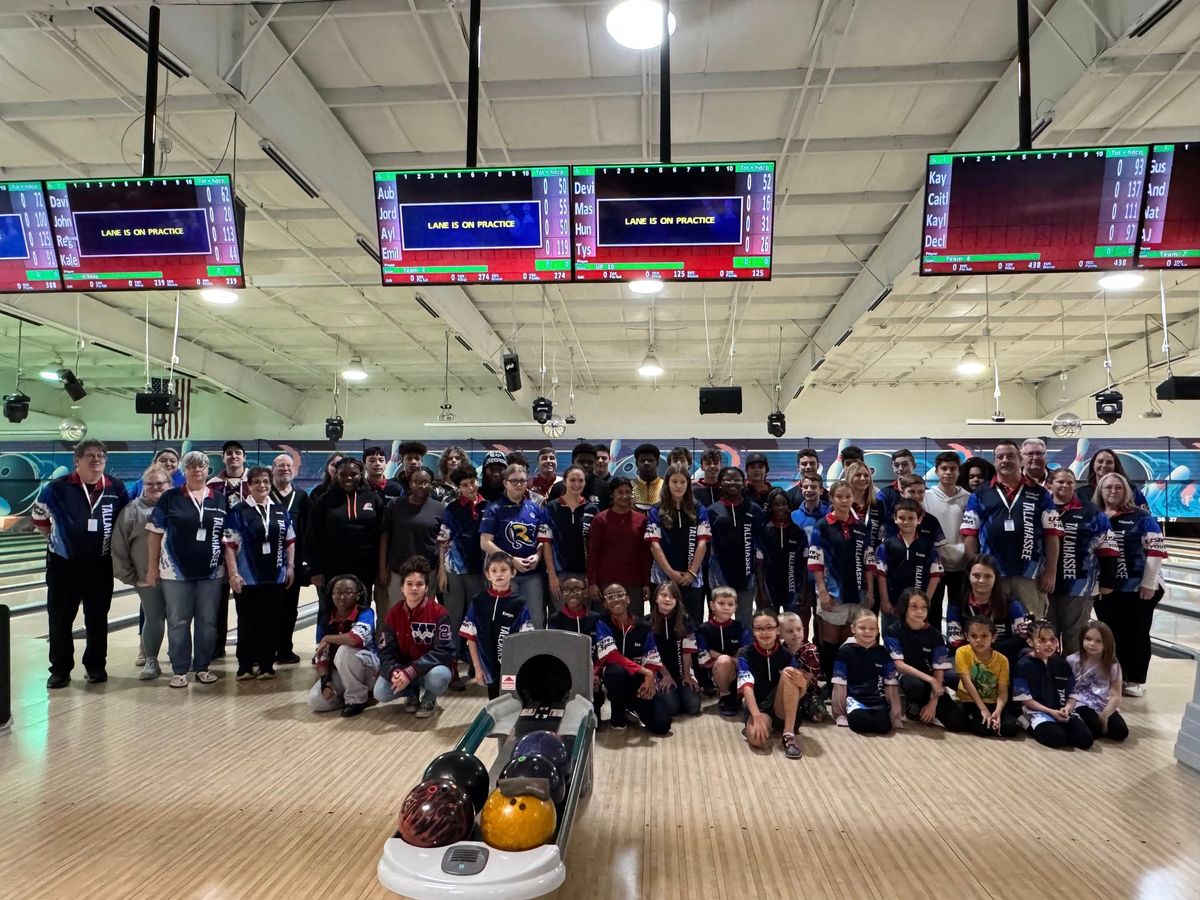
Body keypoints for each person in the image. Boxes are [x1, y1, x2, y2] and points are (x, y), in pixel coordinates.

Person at [33, 438, 130, 689]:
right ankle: (60, 670)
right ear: (77, 460)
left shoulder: (115, 487)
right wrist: (59, 542)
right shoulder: (56, 488)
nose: (96, 459)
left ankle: (96, 666)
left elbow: (124, 522)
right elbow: (39, 518)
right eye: (90, 455)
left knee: (97, 618)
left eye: (101, 455)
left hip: (100, 564)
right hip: (63, 565)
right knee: (60, 619)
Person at [145, 450, 227, 689]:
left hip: (211, 572)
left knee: (208, 621)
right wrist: (152, 568)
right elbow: (153, 534)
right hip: (175, 573)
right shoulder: (170, 497)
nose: (196, 470)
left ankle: (202, 667)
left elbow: (228, 537)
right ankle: (180, 669)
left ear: (207, 470)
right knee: (179, 622)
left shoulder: (219, 498)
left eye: (201, 466)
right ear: (184, 471)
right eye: (191, 466)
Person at [961, 439, 1062, 618]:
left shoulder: (1040, 494)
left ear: (1020, 460)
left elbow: (1052, 535)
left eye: (1011, 456)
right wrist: (974, 571)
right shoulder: (980, 494)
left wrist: (1050, 573)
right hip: (991, 574)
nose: (1005, 460)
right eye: (1000, 457)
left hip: (1030, 575)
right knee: (991, 626)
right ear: (995, 461)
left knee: (1031, 625)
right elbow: (970, 535)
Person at [1093, 472, 1167, 698]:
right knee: (1111, 635)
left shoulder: (1142, 516)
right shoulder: (1095, 516)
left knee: (1137, 634)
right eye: (1108, 487)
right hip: (1108, 589)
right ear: (1100, 491)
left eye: (1118, 487)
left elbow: (1155, 551)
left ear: (1125, 491)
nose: (1113, 491)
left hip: (1139, 588)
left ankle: (1135, 679)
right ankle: (1115, 677)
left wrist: (1148, 583)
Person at [222, 465, 296, 681]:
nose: (262, 485)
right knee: (247, 623)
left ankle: (266, 665)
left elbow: (290, 541)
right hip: (247, 578)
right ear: (249, 485)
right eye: (257, 482)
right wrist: (234, 574)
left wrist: (290, 567)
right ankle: (245, 666)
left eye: (265, 481)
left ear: (270, 483)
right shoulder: (238, 511)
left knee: (271, 623)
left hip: (275, 576)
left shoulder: (281, 510)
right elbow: (229, 545)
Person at [808, 480, 876, 687]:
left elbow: (869, 562)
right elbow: (815, 562)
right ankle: (829, 681)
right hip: (832, 592)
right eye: (840, 497)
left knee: (848, 638)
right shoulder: (822, 526)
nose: (844, 501)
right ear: (832, 498)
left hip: (856, 592)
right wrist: (822, 591)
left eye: (848, 497)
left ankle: (845, 681)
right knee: (830, 638)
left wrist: (871, 591)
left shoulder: (861, 528)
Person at [306, 458, 383, 637]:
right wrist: (315, 569)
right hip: (331, 567)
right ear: (336, 476)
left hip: (364, 568)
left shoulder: (373, 499)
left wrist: (379, 568)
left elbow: (381, 535)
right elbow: (312, 536)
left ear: (361, 475)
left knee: (362, 607)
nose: (348, 478)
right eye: (343, 474)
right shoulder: (324, 500)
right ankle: (325, 649)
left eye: (353, 474)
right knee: (329, 609)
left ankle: (361, 645)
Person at [374, 556, 456, 717]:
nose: (414, 588)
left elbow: (444, 650)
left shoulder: (439, 613)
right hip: (403, 669)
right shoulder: (392, 614)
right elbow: (385, 651)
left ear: (426, 588)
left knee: (439, 677)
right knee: (380, 692)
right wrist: (394, 671)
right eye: (409, 584)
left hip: (429, 670)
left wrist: (411, 671)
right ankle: (410, 693)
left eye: (419, 584)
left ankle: (430, 696)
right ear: (402, 587)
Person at [112, 463, 170, 680]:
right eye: (150, 483)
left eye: (159, 483)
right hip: (148, 578)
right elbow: (119, 547)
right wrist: (133, 578)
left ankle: (180, 660)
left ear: (168, 484)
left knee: (179, 620)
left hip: (178, 577)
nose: (155, 487)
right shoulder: (132, 509)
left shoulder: (177, 505)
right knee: (154, 617)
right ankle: (151, 661)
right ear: (143, 485)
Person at [1047, 467, 1113, 657]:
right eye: (1060, 481)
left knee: (1075, 638)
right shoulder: (1042, 509)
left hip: (1080, 586)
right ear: (1050, 484)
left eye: (1070, 482)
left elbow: (1107, 547)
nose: (1065, 485)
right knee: (1046, 636)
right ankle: (1051, 680)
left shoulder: (1090, 512)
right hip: (1044, 584)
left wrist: (1107, 581)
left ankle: (1075, 682)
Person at [595, 582, 670, 734]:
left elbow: (652, 656)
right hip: (612, 677)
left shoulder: (643, 625)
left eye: (620, 595)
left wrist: (650, 678)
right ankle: (618, 715)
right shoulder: (601, 623)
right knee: (617, 671)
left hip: (638, 678)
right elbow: (612, 656)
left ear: (628, 599)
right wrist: (646, 672)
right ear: (605, 604)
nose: (616, 599)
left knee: (662, 725)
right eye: (610, 597)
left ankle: (632, 705)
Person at [884, 590, 965, 731]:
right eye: (914, 606)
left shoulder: (935, 635)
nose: (920, 611)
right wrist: (931, 680)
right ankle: (913, 704)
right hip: (908, 678)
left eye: (924, 607)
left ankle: (931, 705)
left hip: (930, 679)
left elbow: (938, 669)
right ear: (905, 608)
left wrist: (933, 703)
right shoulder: (893, 630)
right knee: (914, 686)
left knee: (956, 723)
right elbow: (900, 665)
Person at [481, 463, 547, 627]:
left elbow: (543, 539)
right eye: (514, 481)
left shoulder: (535, 508)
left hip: (532, 574)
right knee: (507, 621)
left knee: (536, 619)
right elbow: (485, 542)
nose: (518, 484)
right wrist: (511, 560)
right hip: (505, 574)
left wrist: (538, 556)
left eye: (522, 481)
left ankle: (534, 653)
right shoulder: (494, 508)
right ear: (505, 483)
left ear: (527, 483)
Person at [437, 463, 486, 684]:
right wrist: (441, 572)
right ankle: (452, 666)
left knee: (477, 620)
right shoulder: (452, 509)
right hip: (454, 570)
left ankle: (479, 667)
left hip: (480, 572)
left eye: (472, 482)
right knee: (454, 620)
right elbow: (443, 543)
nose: (470, 487)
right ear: (458, 488)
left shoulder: (489, 507)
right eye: (465, 485)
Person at [461, 552, 534, 700]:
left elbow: (525, 640)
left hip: (511, 667)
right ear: (487, 575)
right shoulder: (478, 601)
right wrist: (477, 667)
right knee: (495, 704)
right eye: (494, 571)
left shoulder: (519, 603)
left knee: (513, 702)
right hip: (487, 667)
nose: (499, 574)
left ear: (513, 572)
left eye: (503, 570)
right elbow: (471, 637)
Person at [738, 609, 810, 758]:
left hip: (782, 707)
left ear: (778, 630)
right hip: (759, 708)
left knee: (789, 672)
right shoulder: (745, 654)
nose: (765, 633)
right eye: (759, 629)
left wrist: (802, 684)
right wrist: (756, 716)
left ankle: (788, 734)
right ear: (753, 631)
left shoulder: (787, 655)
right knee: (757, 739)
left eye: (770, 627)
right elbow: (747, 687)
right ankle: (767, 725)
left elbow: (799, 694)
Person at [646, 463, 710, 624]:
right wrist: (670, 572)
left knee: (692, 624)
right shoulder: (656, 510)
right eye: (674, 481)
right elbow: (654, 544)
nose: (679, 485)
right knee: (663, 623)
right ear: (667, 483)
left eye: (682, 481)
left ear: (688, 483)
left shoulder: (699, 508)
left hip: (693, 578)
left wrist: (692, 573)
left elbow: (702, 542)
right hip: (663, 577)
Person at [1014, 619, 1093, 750]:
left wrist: (1067, 709)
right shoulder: (1023, 664)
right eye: (1042, 640)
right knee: (1057, 739)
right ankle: (1026, 723)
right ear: (1030, 642)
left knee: (1086, 740)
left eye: (1052, 639)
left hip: (1062, 711)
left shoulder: (1062, 663)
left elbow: (1073, 693)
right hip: (1037, 712)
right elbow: (1025, 699)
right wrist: (1051, 712)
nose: (1048, 644)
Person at [307, 574, 378, 717]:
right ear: (331, 595)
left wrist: (328, 638)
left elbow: (355, 639)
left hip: (369, 669)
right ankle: (349, 697)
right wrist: (325, 681)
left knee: (344, 651)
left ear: (358, 595)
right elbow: (322, 655)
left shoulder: (365, 613)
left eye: (348, 592)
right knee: (315, 701)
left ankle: (357, 699)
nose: (342, 597)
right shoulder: (326, 618)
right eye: (337, 592)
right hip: (341, 670)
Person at [379, 466, 445, 619]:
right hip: (398, 571)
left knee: (424, 615)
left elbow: (443, 542)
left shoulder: (439, 508)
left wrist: (441, 571)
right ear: (409, 483)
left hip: (429, 572)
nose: (420, 486)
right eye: (416, 482)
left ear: (431, 484)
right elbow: (384, 538)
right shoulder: (394, 505)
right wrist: (382, 568)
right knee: (397, 615)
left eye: (425, 482)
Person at [706, 466, 765, 628]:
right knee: (719, 619)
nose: (732, 483)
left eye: (737, 479)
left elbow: (760, 545)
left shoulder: (754, 510)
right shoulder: (711, 511)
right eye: (728, 479)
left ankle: (742, 653)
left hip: (747, 576)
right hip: (719, 576)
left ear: (744, 483)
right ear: (720, 483)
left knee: (744, 620)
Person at [946, 555, 1030, 668]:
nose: (981, 580)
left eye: (987, 576)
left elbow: (1022, 639)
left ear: (995, 578)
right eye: (976, 575)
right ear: (968, 576)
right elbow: (955, 643)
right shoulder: (957, 604)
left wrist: (990, 651)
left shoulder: (1011, 604)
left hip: (1003, 659)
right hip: (968, 659)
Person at [209, 440, 251, 661]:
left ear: (244, 457)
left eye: (237, 453)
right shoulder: (213, 484)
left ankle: (247, 649)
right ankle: (216, 648)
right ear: (223, 458)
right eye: (229, 453)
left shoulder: (254, 482)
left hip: (247, 551)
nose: (233, 456)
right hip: (218, 550)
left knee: (246, 602)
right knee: (218, 603)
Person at [875, 498, 942, 633]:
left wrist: (926, 603)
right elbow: (881, 575)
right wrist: (885, 601)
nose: (906, 522)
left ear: (919, 519)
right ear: (895, 519)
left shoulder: (928, 547)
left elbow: (935, 576)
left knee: (916, 643)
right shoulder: (887, 546)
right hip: (893, 605)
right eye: (902, 518)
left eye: (911, 518)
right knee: (892, 642)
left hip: (918, 608)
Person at [831, 607, 903, 735]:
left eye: (872, 628)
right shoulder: (845, 651)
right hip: (856, 700)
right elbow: (839, 684)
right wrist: (839, 714)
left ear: (877, 631)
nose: (867, 631)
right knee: (861, 723)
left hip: (877, 701)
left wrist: (895, 715)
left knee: (883, 727)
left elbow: (891, 684)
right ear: (853, 629)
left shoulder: (882, 652)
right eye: (862, 628)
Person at [587, 477, 651, 615]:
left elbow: (645, 554)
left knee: (635, 623)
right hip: (606, 582)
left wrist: (646, 583)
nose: (625, 496)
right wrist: (592, 583)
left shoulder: (641, 520)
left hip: (634, 583)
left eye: (628, 492)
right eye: (620, 492)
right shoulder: (600, 519)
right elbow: (593, 553)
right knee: (606, 625)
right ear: (612, 494)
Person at [539, 465, 598, 613]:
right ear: (564, 482)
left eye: (580, 480)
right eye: (572, 480)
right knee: (559, 620)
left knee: (583, 619)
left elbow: (595, 547)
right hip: (559, 575)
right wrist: (552, 575)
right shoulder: (551, 508)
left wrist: (591, 576)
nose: (576, 484)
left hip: (584, 575)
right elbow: (546, 543)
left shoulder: (592, 509)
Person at [270, 453, 310, 665]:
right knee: (269, 608)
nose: (285, 468)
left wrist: (304, 560)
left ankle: (285, 648)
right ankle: (267, 649)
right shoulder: (265, 493)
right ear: (273, 468)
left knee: (289, 608)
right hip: (266, 562)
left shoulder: (301, 496)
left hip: (292, 563)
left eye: (288, 465)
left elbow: (307, 529)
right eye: (280, 465)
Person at [924, 450, 969, 627]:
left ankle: (957, 649)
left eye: (953, 468)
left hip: (961, 564)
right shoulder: (926, 497)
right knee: (933, 608)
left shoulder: (968, 498)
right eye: (944, 468)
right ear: (937, 471)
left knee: (958, 609)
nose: (948, 472)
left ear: (959, 471)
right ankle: (936, 649)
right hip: (936, 565)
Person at [955, 616, 1019, 738]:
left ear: (993, 637)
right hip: (972, 701)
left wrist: (998, 712)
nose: (979, 640)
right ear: (967, 636)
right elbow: (967, 684)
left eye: (984, 636)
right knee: (983, 728)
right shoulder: (962, 652)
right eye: (973, 636)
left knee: (1010, 729)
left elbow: (1003, 690)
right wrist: (983, 709)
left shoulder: (1002, 660)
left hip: (993, 701)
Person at [1068, 620, 1129, 742]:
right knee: (1094, 729)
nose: (1092, 644)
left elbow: (1116, 695)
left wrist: (1105, 716)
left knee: (1121, 732)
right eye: (1088, 639)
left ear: (1107, 643)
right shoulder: (1072, 660)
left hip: (1102, 704)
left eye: (1098, 641)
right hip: (1080, 703)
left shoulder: (1112, 665)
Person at [649, 582, 701, 720]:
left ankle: (681, 692)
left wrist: (686, 675)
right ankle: (670, 695)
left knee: (694, 707)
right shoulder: (647, 622)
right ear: (656, 598)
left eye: (672, 597)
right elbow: (652, 653)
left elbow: (688, 650)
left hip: (682, 671)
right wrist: (665, 675)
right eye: (663, 595)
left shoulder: (686, 620)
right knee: (672, 709)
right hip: (660, 672)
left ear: (677, 601)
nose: (667, 599)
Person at [696, 587, 750, 715]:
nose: (726, 607)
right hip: (712, 672)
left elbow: (746, 654)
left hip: (736, 670)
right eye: (721, 603)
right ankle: (725, 695)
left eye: (730, 604)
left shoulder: (740, 628)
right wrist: (729, 659)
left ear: (735, 607)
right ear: (712, 605)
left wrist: (724, 657)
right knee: (723, 661)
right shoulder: (703, 629)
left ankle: (736, 692)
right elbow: (703, 656)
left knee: (732, 661)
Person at [788, 473, 828, 641]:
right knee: (802, 618)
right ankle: (802, 653)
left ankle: (819, 655)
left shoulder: (830, 513)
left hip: (823, 577)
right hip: (801, 577)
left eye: (813, 487)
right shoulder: (793, 516)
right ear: (801, 488)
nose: (809, 490)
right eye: (806, 487)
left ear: (821, 490)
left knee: (822, 619)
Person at [757, 487, 806, 615]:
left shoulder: (798, 533)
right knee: (771, 627)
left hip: (792, 588)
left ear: (789, 506)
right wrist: (761, 592)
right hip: (770, 588)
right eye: (776, 504)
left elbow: (805, 564)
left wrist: (803, 591)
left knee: (792, 626)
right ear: (770, 507)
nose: (780, 508)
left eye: (784, 504)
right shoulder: (764, 532)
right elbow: (759, 565)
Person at [777, 610, 824, 722]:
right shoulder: (778, 650)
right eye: (790, 631)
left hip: (808, 691)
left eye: (798, 629)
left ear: (803, 629)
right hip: (785, 689)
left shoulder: (811, 650)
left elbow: (809, 678)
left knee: (818, 715)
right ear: (780, 633)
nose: (795, 633)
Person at [547, 442, 611, 509]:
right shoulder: (559, 488)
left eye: (590, 462)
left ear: (595, 463)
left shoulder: (604, 488)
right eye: (581, 462)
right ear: (573, 462)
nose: (586, 465)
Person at [1078, 449, 1149, 509]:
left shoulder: (1132, 491)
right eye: (1100, 461)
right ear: (1093, 465)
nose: (1104, 465)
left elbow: (1145, 517)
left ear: (1115, 465)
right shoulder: (1081, 494)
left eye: (1109, 462)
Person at [844, 460, 884, 550]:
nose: (863, 478)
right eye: (858, 475)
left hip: (871, 558)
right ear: (850, 478)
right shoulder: (842, 504)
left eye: (866, 475)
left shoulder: (878, 505)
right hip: (845, 558)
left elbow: (880, 535)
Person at [876, 449, 915, 522]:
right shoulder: (884, 494)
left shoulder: (925, 492)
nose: (900, 468)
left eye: (904, 464)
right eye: (896, 465)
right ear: (893, 467)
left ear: (914, 466)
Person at [630, 443, 664, 512]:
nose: (646, 463)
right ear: (636, 463)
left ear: (657, 462)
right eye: (642, 460)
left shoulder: (666, 486)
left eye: (650, 460)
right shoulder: (629, 487)